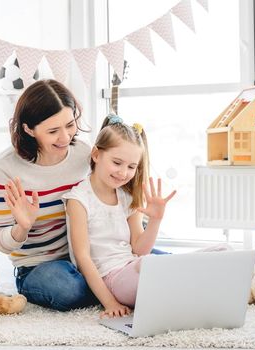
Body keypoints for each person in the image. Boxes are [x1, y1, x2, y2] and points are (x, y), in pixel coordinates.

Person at [0, 79, 98, 311]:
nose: (65, 138)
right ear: (29, 129)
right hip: (37, 267)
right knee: (68, 289)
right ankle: (110, 287)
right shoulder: (5, 168)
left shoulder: (83, 154)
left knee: (149, 262)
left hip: (84, 253)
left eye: (70, 125)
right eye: (53, 131)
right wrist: (23, 227)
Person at [63, 115, 177, 318]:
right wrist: (109, 302)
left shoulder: (126, 197)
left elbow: (139, 249)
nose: (124, 173)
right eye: (117, 163)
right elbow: (83, 258)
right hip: (112, 277)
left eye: (132, 167)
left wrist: (155, 220)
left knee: (217, 252)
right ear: (96, 155)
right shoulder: (78, 200)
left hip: (134, 265)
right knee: (159, 270)